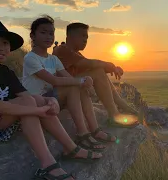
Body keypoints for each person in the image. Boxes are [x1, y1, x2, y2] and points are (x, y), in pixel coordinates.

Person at [0, 19, 102, 180]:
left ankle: (71, 148)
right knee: (30, 104)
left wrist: (50, 102)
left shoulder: (5, 71)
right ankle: (48, 165)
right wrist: (37, 110)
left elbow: (27, 96)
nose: (1, 47)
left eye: (5, 43)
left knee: (36, 100)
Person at [22, 15, 117, 151]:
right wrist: (81, 81)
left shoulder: (53, 59)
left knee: (77, 87)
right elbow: (53, 80)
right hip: (35, 100)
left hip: (52, 99)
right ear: (33, 36)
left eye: (51, 33)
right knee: (75, 86)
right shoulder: (30, 58)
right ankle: (82, 133)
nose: (48, 37)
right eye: (43, 32)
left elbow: (66, 77)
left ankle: (94, 129)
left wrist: (84, 84)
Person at [52, 22, 139, 128]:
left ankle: (120, 104)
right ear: (70, 37)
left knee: (98, 71)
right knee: (97, 71)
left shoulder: (75, 54)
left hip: (71, 91)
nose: (85, 40)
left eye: (87, 37)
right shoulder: (62, 50)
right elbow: (89, 64)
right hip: (63, 94)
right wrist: (111, 66)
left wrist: (112, 68)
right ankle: (114, 116)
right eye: (82, 36)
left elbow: (89, 68)